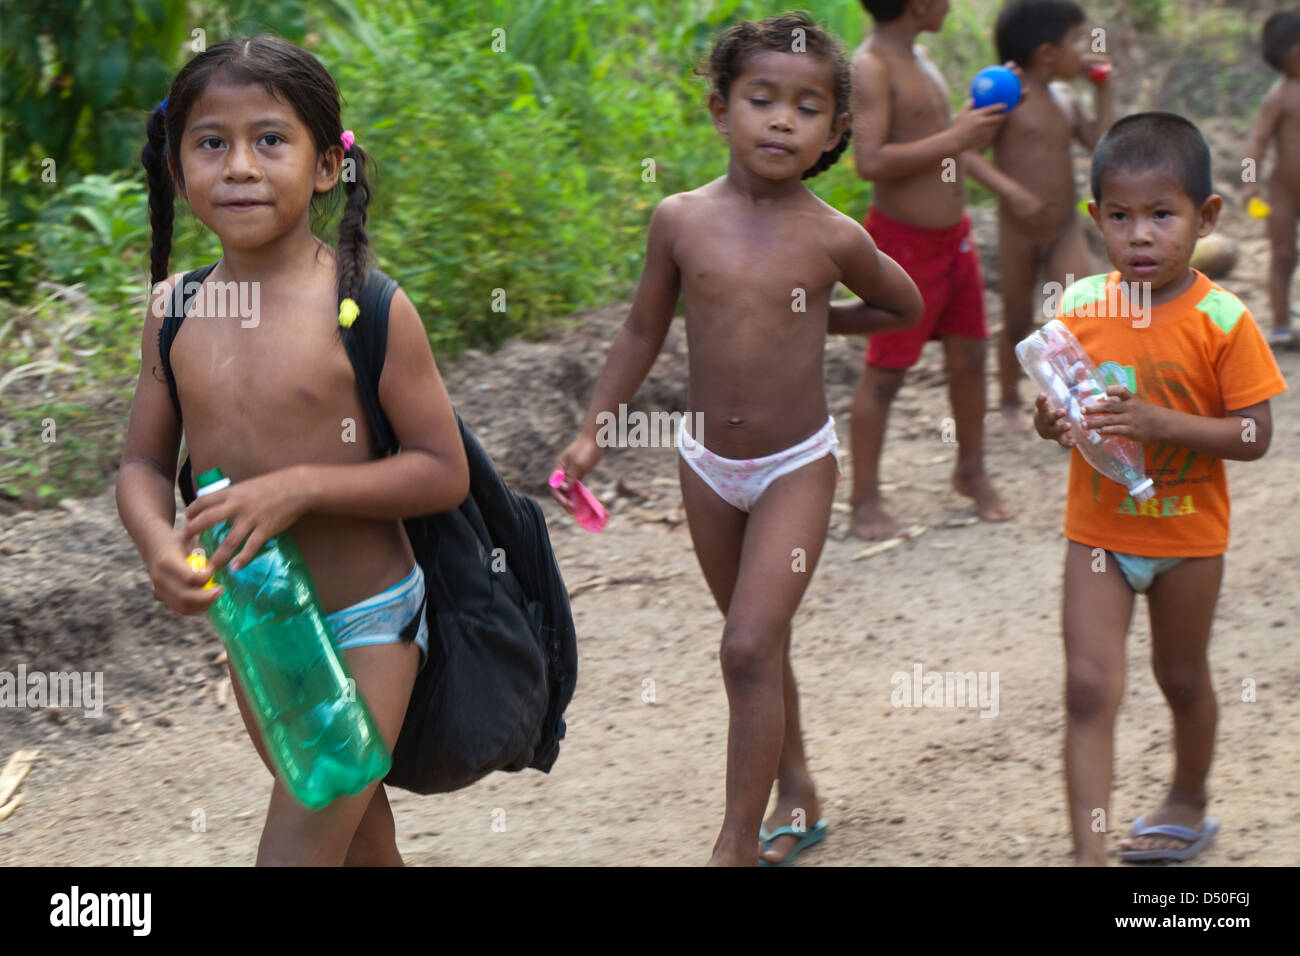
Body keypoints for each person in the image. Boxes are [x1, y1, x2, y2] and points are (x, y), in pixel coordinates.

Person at [552, 12, 923, 866]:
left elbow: (903, 306)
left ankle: (735, 846)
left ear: (833, 130)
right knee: (757, 642)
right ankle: (797, 786)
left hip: (797, 465)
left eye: (807, 107)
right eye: (763, 99)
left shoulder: (834, 235)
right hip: (707, 465)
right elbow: (643, 331)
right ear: (721, 109)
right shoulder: (679, 220)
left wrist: (817, 316)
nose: (782, 120)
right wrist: (593, 432)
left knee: (749, 644)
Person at [117, 35, 469, 865]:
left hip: (372, 623)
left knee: (295, 854)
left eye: (269, 139)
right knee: (360, 846)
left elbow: (441, 470)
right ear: (177, 170)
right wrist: (157, 543)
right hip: (264, 635)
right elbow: (139, 464)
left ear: (323, 169)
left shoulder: (367, 308)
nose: (239, 165)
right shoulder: (175, 313)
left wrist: (299, 488)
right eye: (211, 143)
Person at [1032, 113, 1286, 865]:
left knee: (1180, 678)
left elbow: (1254, 436)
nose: (1140, 234)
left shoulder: (1222, 320)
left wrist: (1160, 424)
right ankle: (1090, 854)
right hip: (1100, 533)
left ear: (1206, 217)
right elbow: (1064, 419)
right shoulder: (1079, 309)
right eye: (1120, 216)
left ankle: (1187, 798)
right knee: (1086, 688)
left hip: (1188, 541)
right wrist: (1052, 424)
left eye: (1162, 215)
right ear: (1096, 220)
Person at [847, 0, 1031, 541]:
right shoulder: (871, 66)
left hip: (955, 240)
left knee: (970, 354)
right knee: (886, 373)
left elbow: (941, 137)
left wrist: (983, 110)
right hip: (904, 246)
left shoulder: (920, 56)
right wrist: (956, 137)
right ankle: (863, 499)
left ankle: (970, 471)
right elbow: (871, 161)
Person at [992, 0, 1114, 427]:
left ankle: (1078, 402)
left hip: (1063, 225)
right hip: (1018, 227)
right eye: (1076, 42)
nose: (1083, 50)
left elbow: (1100, 143)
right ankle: (1008, 396)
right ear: (1047, 54)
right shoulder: (1008, 92)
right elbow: (967, 154)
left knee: (1077, 311)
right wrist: (1013, 193)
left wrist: (1102, 89)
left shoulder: (1063, 96)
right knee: (1017, 316)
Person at [1243, 9, 1300, 348]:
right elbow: (1256, 141)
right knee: (1282, 255)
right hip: (1284, 192)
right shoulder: (1280, 96)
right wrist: (1250, 182)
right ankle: (1279, 322)